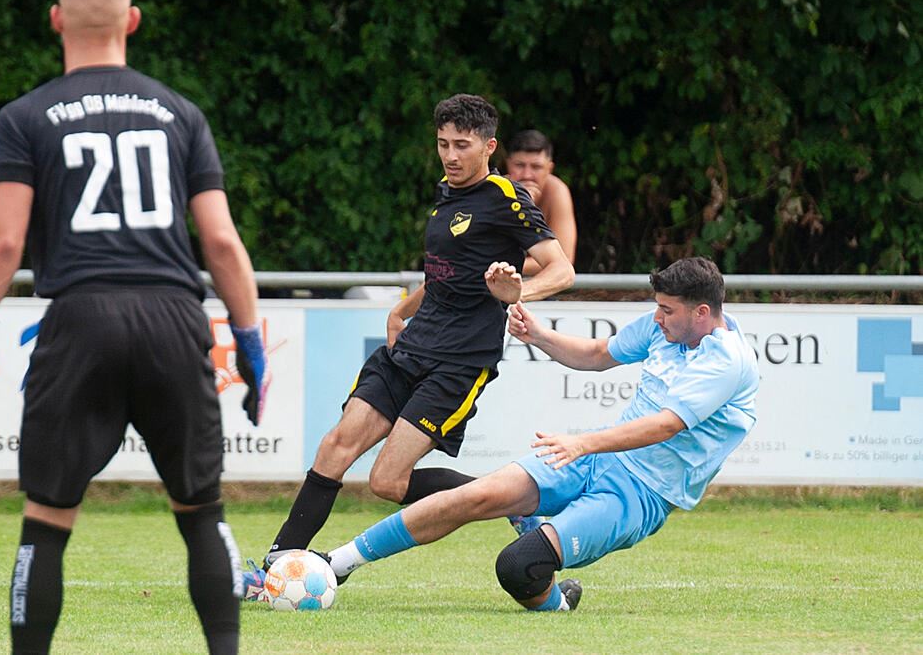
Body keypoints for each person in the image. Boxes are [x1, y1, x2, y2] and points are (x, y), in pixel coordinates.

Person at [0, 0, 263, 653]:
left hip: (78, 318)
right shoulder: (179, 113)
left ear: (55, 20)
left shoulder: (27, 115)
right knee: (201, 510)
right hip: (171, 316)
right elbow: (220, 242)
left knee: (46, 518)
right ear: (133, 20)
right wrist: (251, 343)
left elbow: (4, 243)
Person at [244, 94, 574, 596]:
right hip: (411, 347)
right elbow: (446, 273)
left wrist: (517, 293)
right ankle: (274, 568)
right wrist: (403, 309)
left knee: (387, 483)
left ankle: (510, 500)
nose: (450, 155)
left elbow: (561, 269)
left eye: (461, 145)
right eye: (442, 144)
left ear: (489, 146)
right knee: (335, 446)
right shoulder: (447, 193)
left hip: (459, 362)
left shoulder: (506, 198)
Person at [325, 257, 759, 613]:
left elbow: (666, 425)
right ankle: (336, 563)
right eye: (658, 307)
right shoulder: (662, 326)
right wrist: (537, 335)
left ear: (701, 313)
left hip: (642, 493)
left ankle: (558, 600)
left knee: (517, 566)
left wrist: (583, 441)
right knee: (474, 496)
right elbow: (596, 354)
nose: (657, 317)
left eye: (667, 310)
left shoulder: (727, 361)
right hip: (596, 455)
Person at [503, 130, 576, 266]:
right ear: (508, 165)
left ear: (549, 168)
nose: (527, 175)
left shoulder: (557, 191)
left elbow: (565, 260)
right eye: (519, 165)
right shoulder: (496, 191)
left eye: (536, 167)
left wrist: (508, 266)